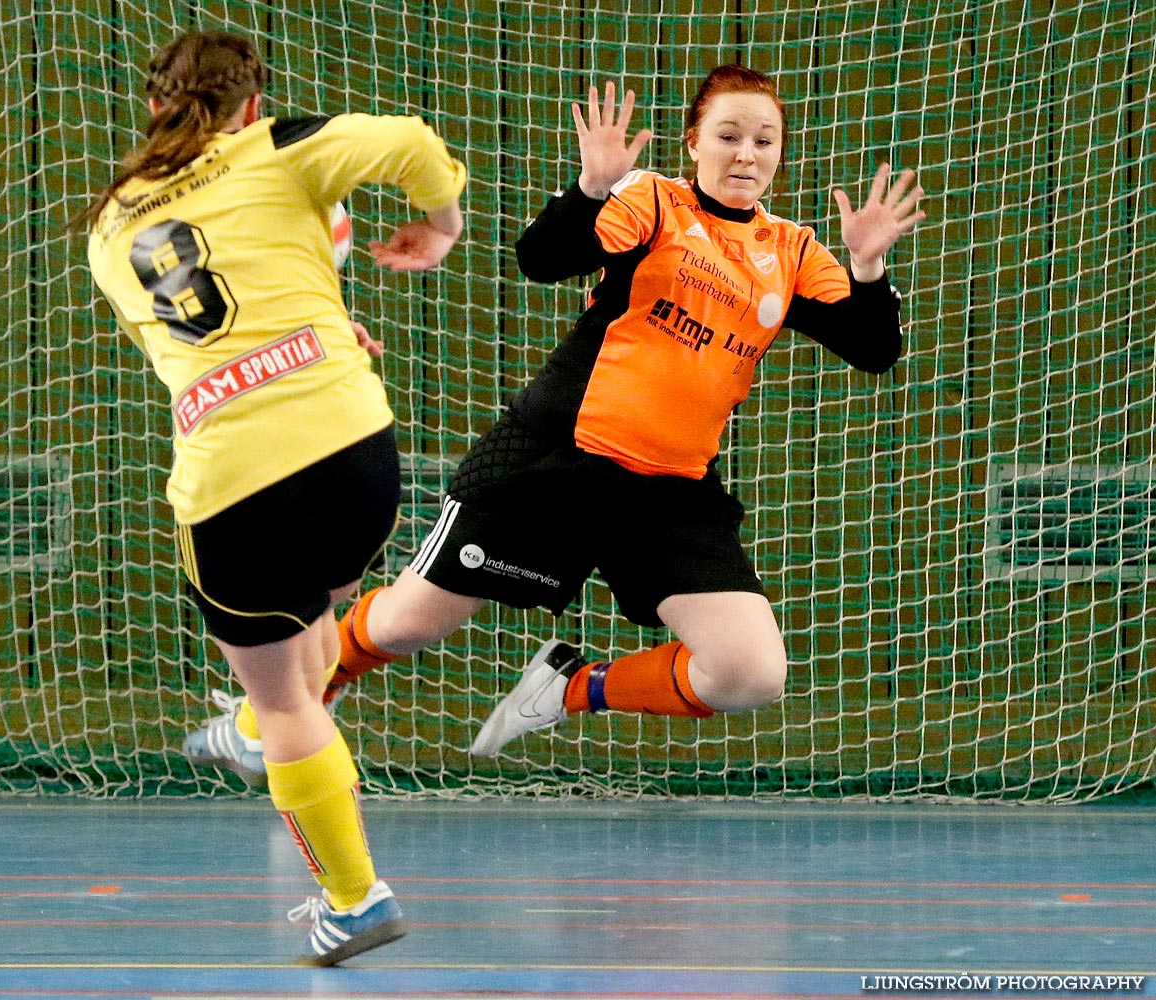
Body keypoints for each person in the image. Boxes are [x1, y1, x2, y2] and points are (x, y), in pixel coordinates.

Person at [190, 64, 922, 772]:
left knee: (749, 672)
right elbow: (541, 258)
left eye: (764, 140)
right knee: (407, 622)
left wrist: (865, 269)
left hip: (668, 490)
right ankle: (264, 714)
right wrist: (592, 188)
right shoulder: (652, 202)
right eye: (729, 135)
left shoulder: (789, 250)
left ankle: (569, 687)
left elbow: (872, 347)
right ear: (693, 142)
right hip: (558, 458)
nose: (746, 153)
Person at [86, 29, 465, 964]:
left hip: (236, 479)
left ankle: (353, 897)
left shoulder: (106, 226)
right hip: (352, 449)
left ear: (153, 105)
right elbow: (415, 141)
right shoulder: (279, 146)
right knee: (318, 605)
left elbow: (199, 343)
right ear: (250, 103)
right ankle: (258, 726)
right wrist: (439, 225)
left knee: (289, 692)